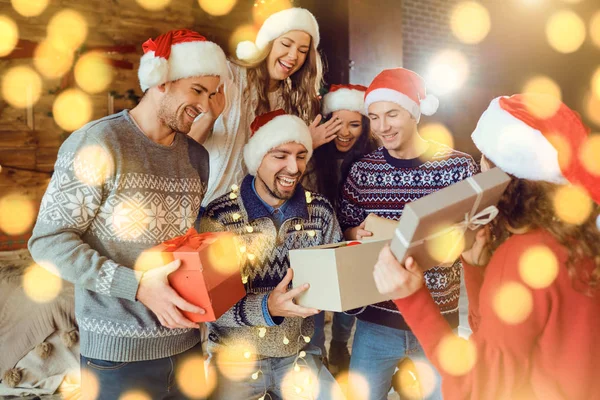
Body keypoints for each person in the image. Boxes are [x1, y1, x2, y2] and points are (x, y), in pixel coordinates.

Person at [28, 29, 229, 399]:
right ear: (161, 82)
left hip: (187, 347)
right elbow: (48, 243)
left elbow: (179, 246)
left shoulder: (196, 157)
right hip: (118, 358)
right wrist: (136, 286)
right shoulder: (99, 143)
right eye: (197, 90)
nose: (206, 105)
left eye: (213, 93)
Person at [373, 93, 600, 400]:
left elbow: (474, 387)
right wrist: (478, 271)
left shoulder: (522, 258)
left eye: (483, 162)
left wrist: (411, 297)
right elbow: (500, 347)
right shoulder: (580, 242)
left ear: (502, 179)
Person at [338, 68, 478, 399]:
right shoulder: (363, 171)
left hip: (438, 320)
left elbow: (476, 237)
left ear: (414, 113)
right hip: (376, 322)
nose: (383, 126)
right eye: (374, 117)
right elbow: (344, 226)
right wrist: (357, 231)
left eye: (392, 114)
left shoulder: (458, 168)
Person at [200, 109, 344, 399]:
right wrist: (268, 307)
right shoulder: (219, 216)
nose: (294, 167)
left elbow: (338, 285)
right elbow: (209, 307)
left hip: (299, 357)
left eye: (301, 155)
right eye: (281, 155)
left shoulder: (320, 211)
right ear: (257, 159)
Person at [188, 7, 343, 207]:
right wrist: (209, 118)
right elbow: (184, 146)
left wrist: (304, 143)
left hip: (255, 211)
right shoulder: (228, 76)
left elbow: (281, 168)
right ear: (267, 44)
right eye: (286, 44)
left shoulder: (292, 99)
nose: (293, 56)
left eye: (303, 50)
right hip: (206, 204)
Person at [303, 83, 377, 374]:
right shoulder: (312, 157)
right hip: (317, 240)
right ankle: (318, 357)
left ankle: (340, 344)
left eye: (354, 124)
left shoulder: (369, 159)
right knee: (317, 304)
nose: (345, 132)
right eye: (337, 124)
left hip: (354, 237)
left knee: (352, 300)